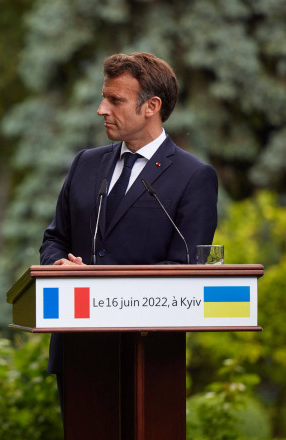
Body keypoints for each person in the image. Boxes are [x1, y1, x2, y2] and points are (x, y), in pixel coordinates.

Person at [39, 53, 218, 421]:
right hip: (78, 351)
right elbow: (55, 238)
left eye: (115, 100)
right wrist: (58, 265)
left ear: (151, 106)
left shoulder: (193, 176)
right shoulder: (85, 163)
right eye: (104, 97)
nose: (102, 109)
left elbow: (187, 269)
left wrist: (100, 281)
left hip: (149, 356)